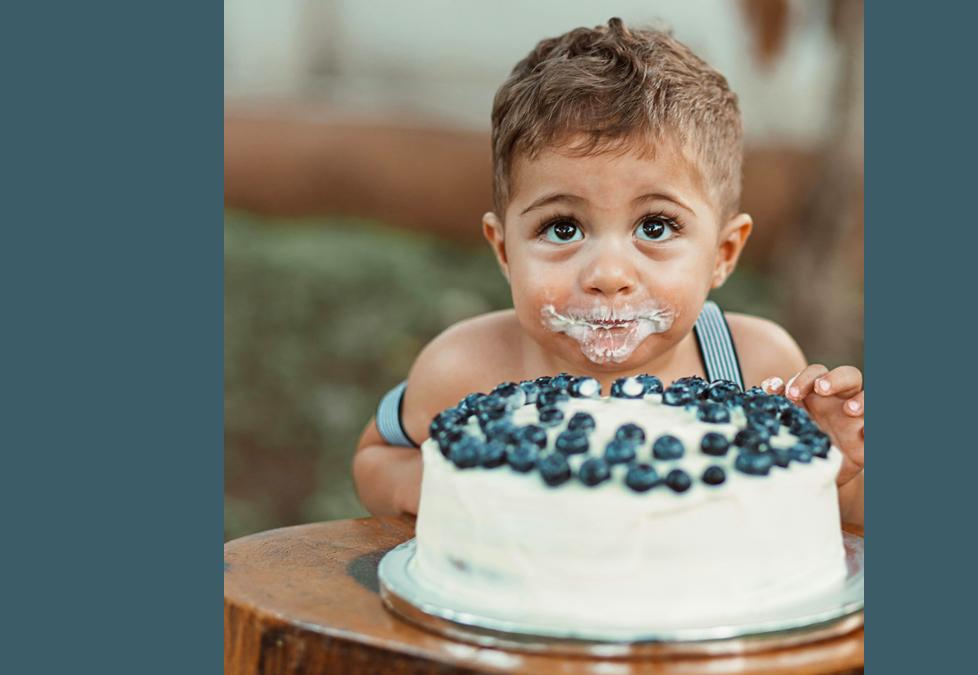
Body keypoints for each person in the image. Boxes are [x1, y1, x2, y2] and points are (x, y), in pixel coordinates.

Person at [353, 17, 863, 524]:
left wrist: (832, 470)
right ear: (505, 251)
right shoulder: (462, 370)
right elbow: (377, 457)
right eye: (562, 229)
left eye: (657, 227)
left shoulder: (755, 368)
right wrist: (430, 484)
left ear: (724, 253)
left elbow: (816, 515)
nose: (608, 273)